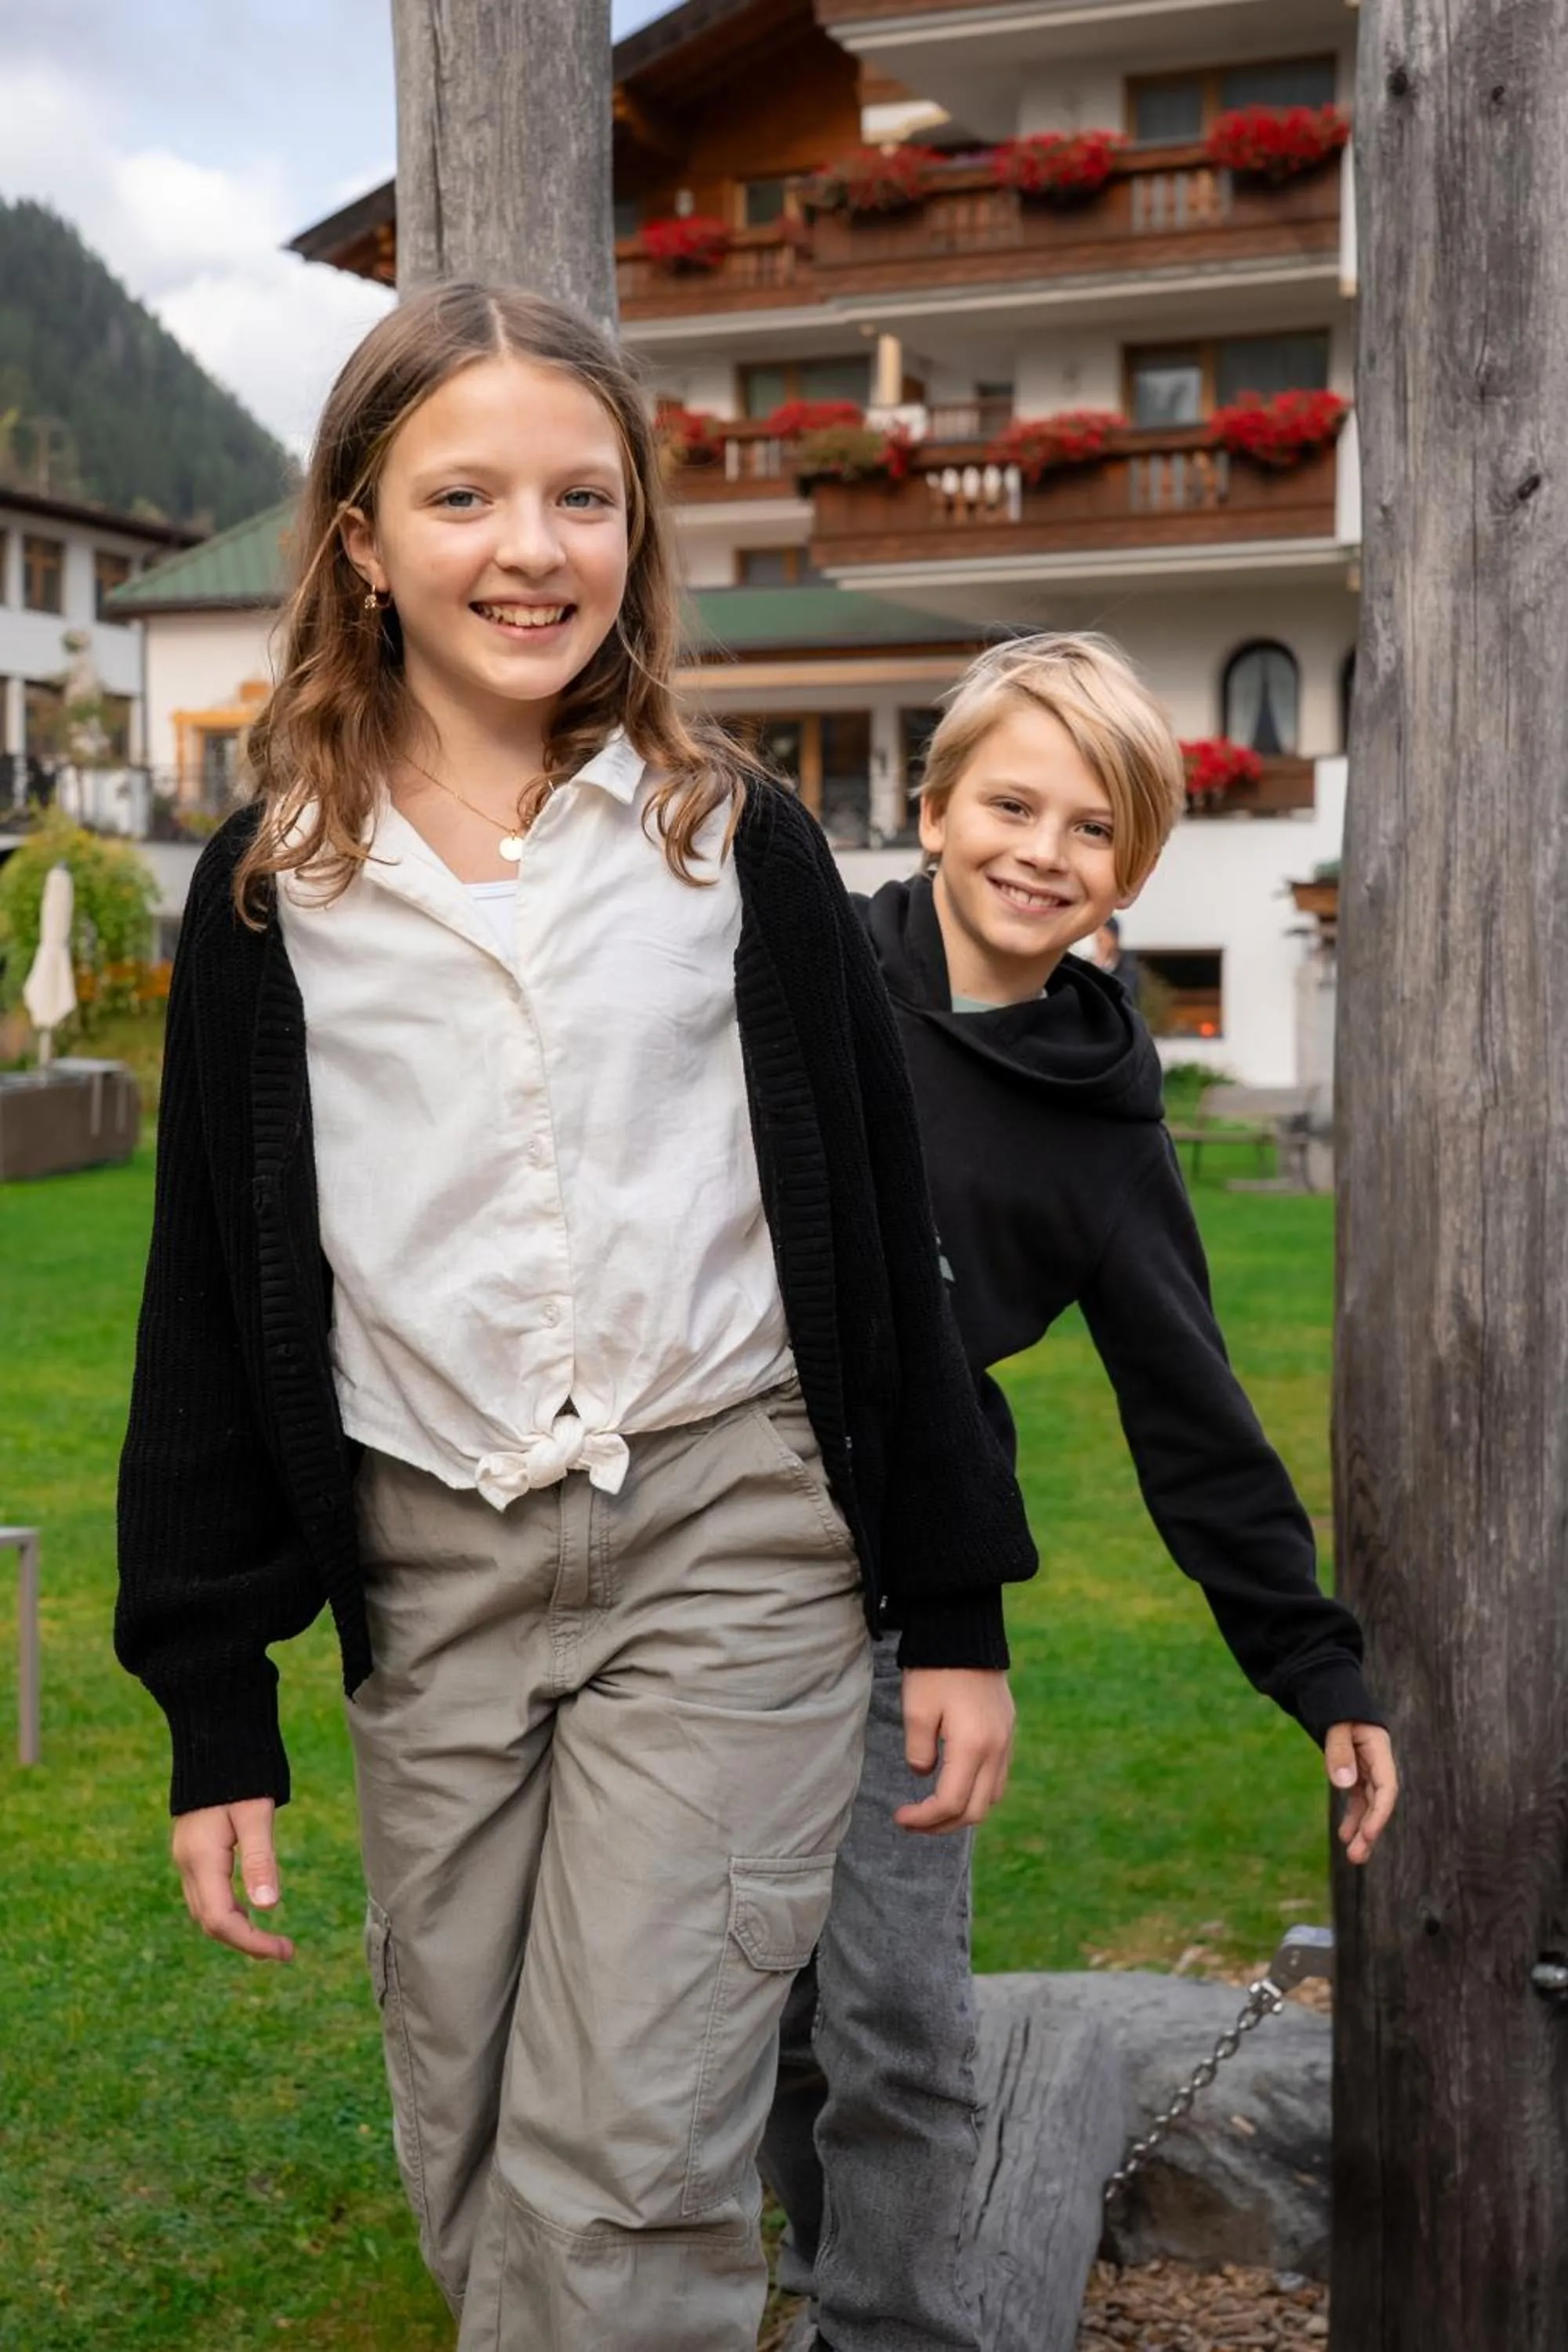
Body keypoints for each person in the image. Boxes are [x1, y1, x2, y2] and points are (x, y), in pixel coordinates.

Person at [114, 284, 1037, 2352]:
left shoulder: (735, 850)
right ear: (360, 539)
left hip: (729, 1547)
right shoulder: (279, 888)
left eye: (580, 499)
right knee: (478, 2143)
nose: (529, 549)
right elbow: (205, 1304)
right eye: (463, 496)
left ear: (637, 534)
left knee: (624, 2173)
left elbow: (889, 1244)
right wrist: (209, 1701)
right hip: (433, 1572)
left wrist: (953, 1606)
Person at [763, 633, 1399, 2352]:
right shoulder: (792, 975)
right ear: (932, 805)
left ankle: (884, 2324)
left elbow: (1192, 1418)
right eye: (1010, 803)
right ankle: (810, 2263)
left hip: (914, 1585)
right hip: (701, 1554)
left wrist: (1312, 1666)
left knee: (895, 2016)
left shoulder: (1104, 1130)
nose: (1042, 851)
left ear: (1133, 864)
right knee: (752, 2006)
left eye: (1092, 828)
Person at [1090, 909, 1140, 1004]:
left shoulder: (1128, 969)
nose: (1099, 945)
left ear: (1114, 939)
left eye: (1101, 940)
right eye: (1097, 940)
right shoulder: (1089, 966)